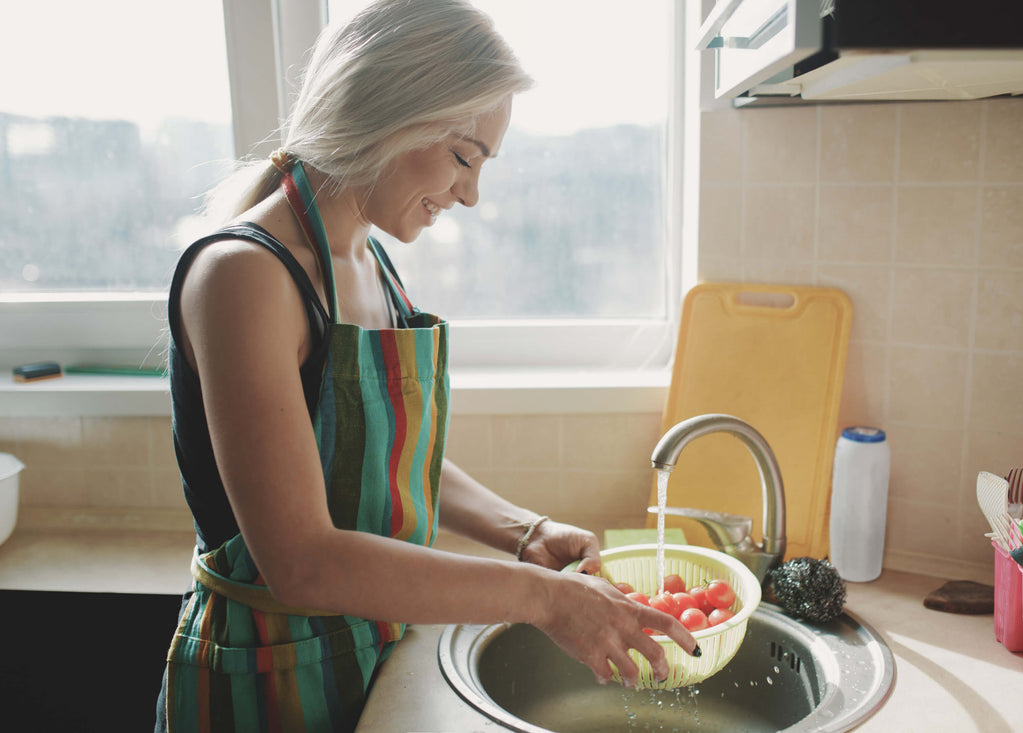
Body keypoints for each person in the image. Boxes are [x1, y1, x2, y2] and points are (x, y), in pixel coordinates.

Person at [155, 1, 696, 730]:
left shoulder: (368, 260)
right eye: (465, 156)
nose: (472, 193)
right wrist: (542, 598)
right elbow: (304, 561)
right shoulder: (245, 277)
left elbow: (367, 456)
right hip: (266, 677)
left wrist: (522, 530)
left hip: (365, 647)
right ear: (389, 114)